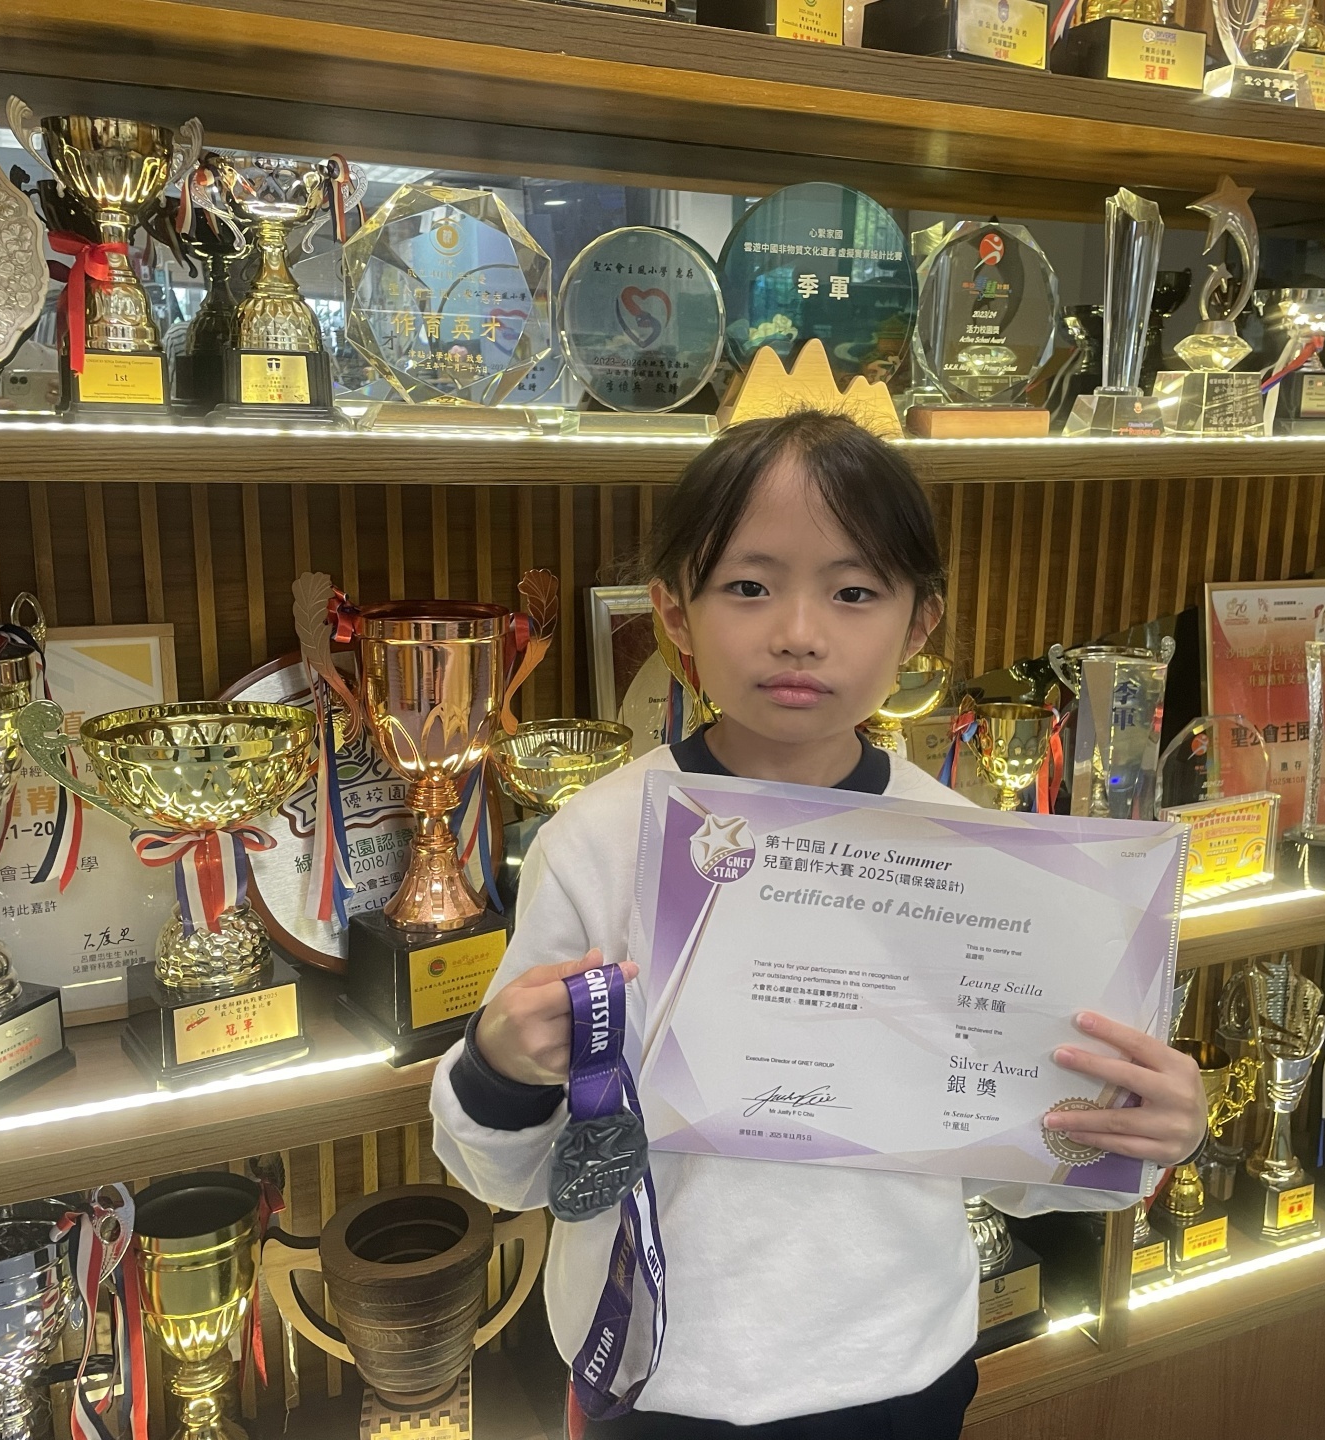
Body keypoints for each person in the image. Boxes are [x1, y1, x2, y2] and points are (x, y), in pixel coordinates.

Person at [429, 411, 1207, 1438]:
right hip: (651, 1374)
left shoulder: (974, 861)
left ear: (919, 625)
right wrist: (497, 1067)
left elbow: (1020, 1169)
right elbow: (510, 1172)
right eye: (748, 586)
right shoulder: (597, 840)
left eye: (854, 592)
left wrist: (1141, 1132)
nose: (799, 630)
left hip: (896, 1370)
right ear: (674, 613)